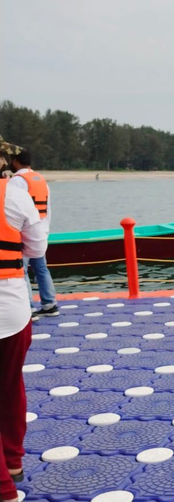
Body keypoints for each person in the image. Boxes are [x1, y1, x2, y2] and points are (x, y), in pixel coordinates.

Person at [0, 138, 47, 502]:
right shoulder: (14, 195)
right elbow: (37, 248)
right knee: (10, 383)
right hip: (13, 308)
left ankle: (4, 487)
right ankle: (12, 460)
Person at [8, 149, 58, 320]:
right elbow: (48, 208)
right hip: (41, 232)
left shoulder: (17, 182)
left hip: (24, 234)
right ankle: (49, 304)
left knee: (22, 271)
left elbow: (13, 209)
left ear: (15, 161)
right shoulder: (41, 179)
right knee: (41, 268)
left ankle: (28, 308)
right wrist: (44, 231)